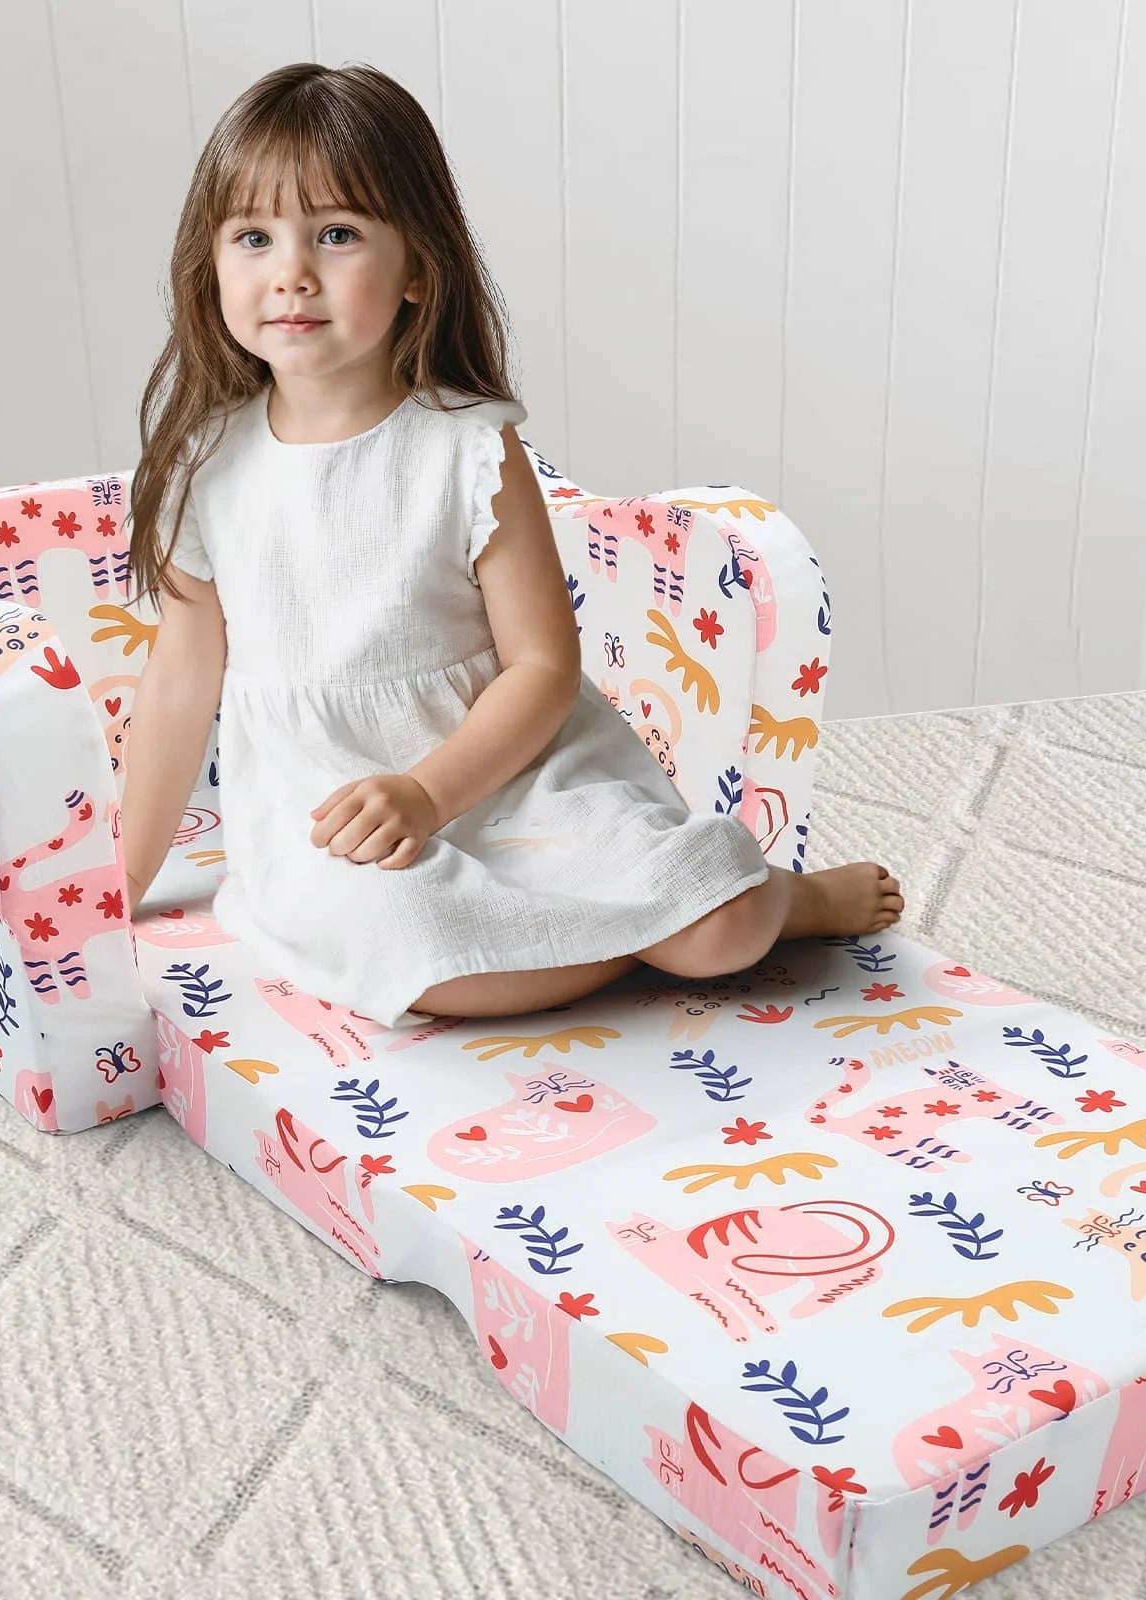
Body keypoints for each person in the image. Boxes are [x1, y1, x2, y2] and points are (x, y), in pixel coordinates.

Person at [118, 61, 904, 1030]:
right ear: (212, 265)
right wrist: (118, 875)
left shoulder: (463, 445)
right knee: (427, 962)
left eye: (336, 233)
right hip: (331, 806)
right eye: (253, 236)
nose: (291, 270)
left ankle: (781, 904)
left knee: (723, 933)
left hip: (518, 775)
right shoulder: (207, 463)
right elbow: (178, 684)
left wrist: (428, 788)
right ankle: (626, 941)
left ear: (417, 270)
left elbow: (540, 665)